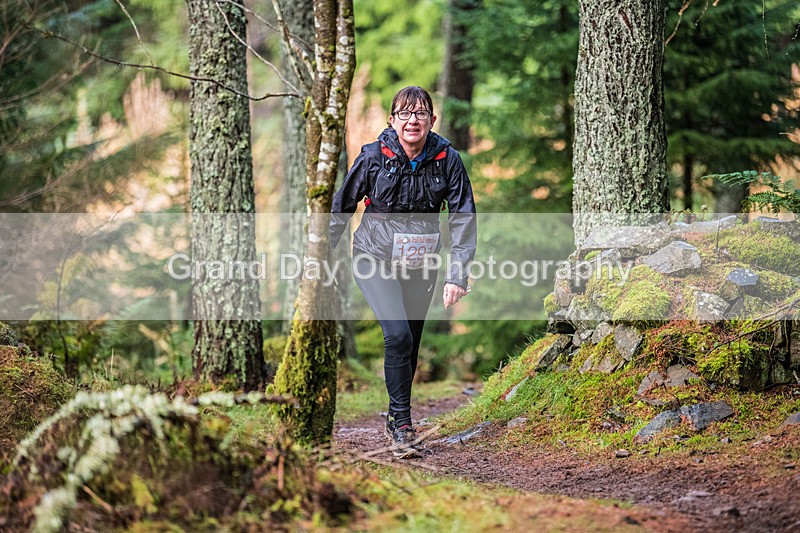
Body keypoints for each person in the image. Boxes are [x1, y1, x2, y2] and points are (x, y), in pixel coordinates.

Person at [330, 86, 477, 458]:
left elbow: (463, 219)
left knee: (409, 341)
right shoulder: (373, 157)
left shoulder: (447, 159)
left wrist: (457, 274)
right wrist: (318, 259)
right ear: (393, 120)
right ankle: (403, 425)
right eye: (405, 114)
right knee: (396, 335)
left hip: (421, 263)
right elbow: (341, 208)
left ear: (432, 120)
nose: (413, 120)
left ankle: (398, 421)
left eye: (421, 113)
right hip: (373, 257)